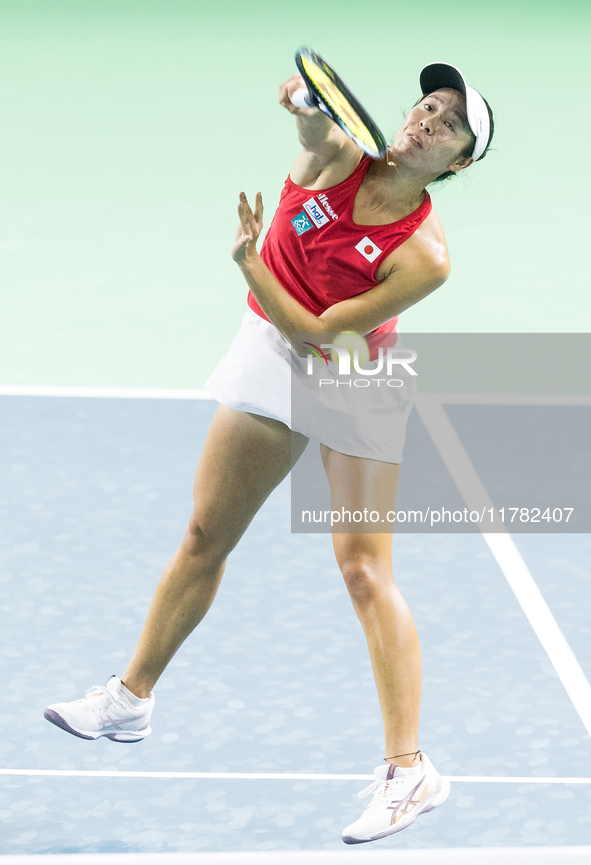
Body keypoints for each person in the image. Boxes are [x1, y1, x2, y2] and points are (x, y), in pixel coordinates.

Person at [44, 61, 494, 844]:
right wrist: (302, 105)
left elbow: (323, 332)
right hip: (269, 348)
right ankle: (131, 697)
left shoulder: (425, 254)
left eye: (448, 124)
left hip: (353, 374)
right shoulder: (340, 157)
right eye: (427, 104)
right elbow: (315, 132)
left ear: (455, 163)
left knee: (362, 569)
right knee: (203, 536)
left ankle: (409, 770)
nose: (428, 118)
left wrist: (252, 264)